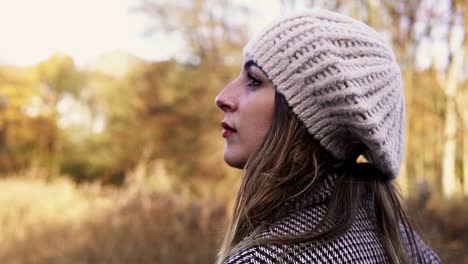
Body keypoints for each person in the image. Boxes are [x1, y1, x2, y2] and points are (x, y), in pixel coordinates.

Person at [214, 8, 441, 264]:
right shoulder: (399, 239)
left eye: (254, 80)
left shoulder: (262, 259)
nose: (222, 98)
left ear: (308, 115)